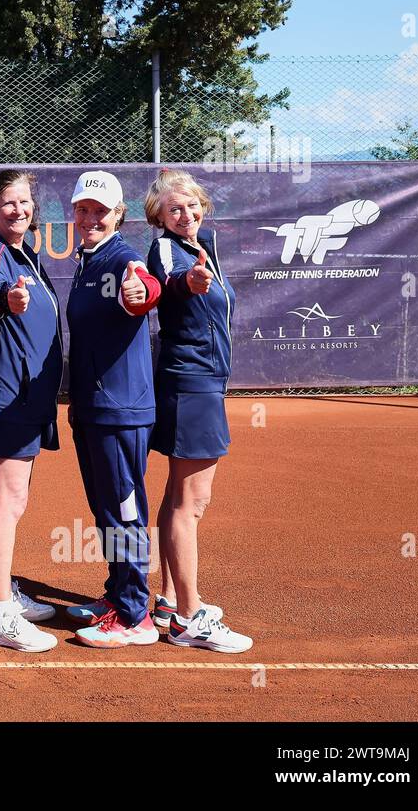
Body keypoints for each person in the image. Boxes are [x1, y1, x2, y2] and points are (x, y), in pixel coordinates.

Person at [143, 169, 252, 653]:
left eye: (191, 205)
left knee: (177, 495)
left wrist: (197, 269)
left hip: (203, 381)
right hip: (190, 382)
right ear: (159, 216)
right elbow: (169, 282)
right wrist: (188, 281)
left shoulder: (203, 248)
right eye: (174, 209)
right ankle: (189, 617)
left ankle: (170, 599)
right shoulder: (169, 250)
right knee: (193, 502)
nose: (185, 214)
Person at [62, 170, 164, 648]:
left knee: (124, 512)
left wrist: (142, 293)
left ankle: (133, 615)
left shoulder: (122, 258)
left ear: (119, 215)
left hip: (120, 410)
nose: (90, 218)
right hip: (93, 410)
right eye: (83, 210)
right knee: (106, 510)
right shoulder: (87, 260)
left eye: (100, 212)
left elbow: (143, 287)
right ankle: (117, 592)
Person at [0, 169, 63, 654]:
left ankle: (4, 596)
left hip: (27, 397)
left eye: (24, 201)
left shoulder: (26, 253)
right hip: (7, 397)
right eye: (7, 203)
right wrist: (8, 298)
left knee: (15, 499)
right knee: (5, 500)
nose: (18, 210)